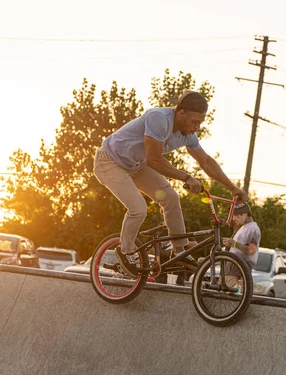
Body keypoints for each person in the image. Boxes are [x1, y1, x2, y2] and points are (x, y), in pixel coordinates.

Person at [94, 90, 247, 277]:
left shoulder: (188, 135)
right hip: (109, 161)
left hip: (135, 166)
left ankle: (179, 251)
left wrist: (232, 188)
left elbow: (206, 162)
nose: (196, 128)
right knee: (138, 208)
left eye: (200, 123)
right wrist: (186, 177)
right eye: (194, 122)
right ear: (181, 113)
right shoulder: (158, 118)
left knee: (171, 198)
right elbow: (154, 160)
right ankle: (125, 251)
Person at [222, 202, 260, 286]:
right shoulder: (244, 227)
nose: (233, 218)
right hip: (232, 269)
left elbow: (251, 250)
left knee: (230, 297)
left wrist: (234, 244)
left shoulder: (253, 228)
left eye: (236, 215)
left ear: (244, 214)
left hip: (238, 271)